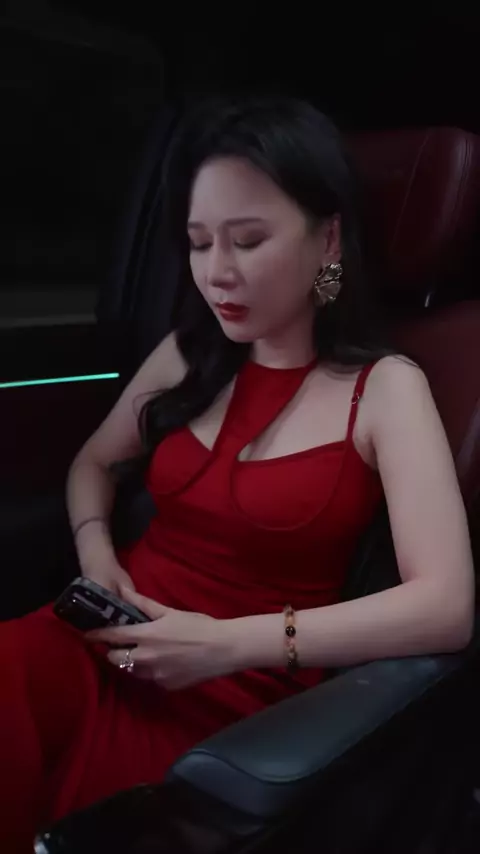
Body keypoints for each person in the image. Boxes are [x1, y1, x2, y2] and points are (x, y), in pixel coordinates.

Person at [0, 95, 474, 852]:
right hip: (99, 649)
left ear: (327, 239)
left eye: (248, 241)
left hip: (237, 702)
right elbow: (94, 462)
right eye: (198, 243)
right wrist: (97, 556)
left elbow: (446, 605)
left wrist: (226, 644)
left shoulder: (385, 388)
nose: (216, 273)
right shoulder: (187, 354)